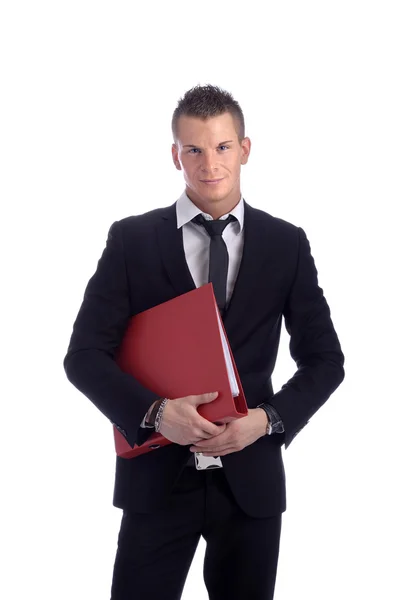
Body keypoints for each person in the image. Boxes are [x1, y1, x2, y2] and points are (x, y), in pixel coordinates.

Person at [64, 84, 345, 600]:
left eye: (220, 147)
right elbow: (83, 357)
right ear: (175, 155)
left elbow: (326, 360)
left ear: (245, 149)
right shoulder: (132, 240)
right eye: (193, 149)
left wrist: (267, 422)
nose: (208, 163)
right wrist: (154, 413)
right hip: (156, 481)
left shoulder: (287, 244)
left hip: (251, 481)